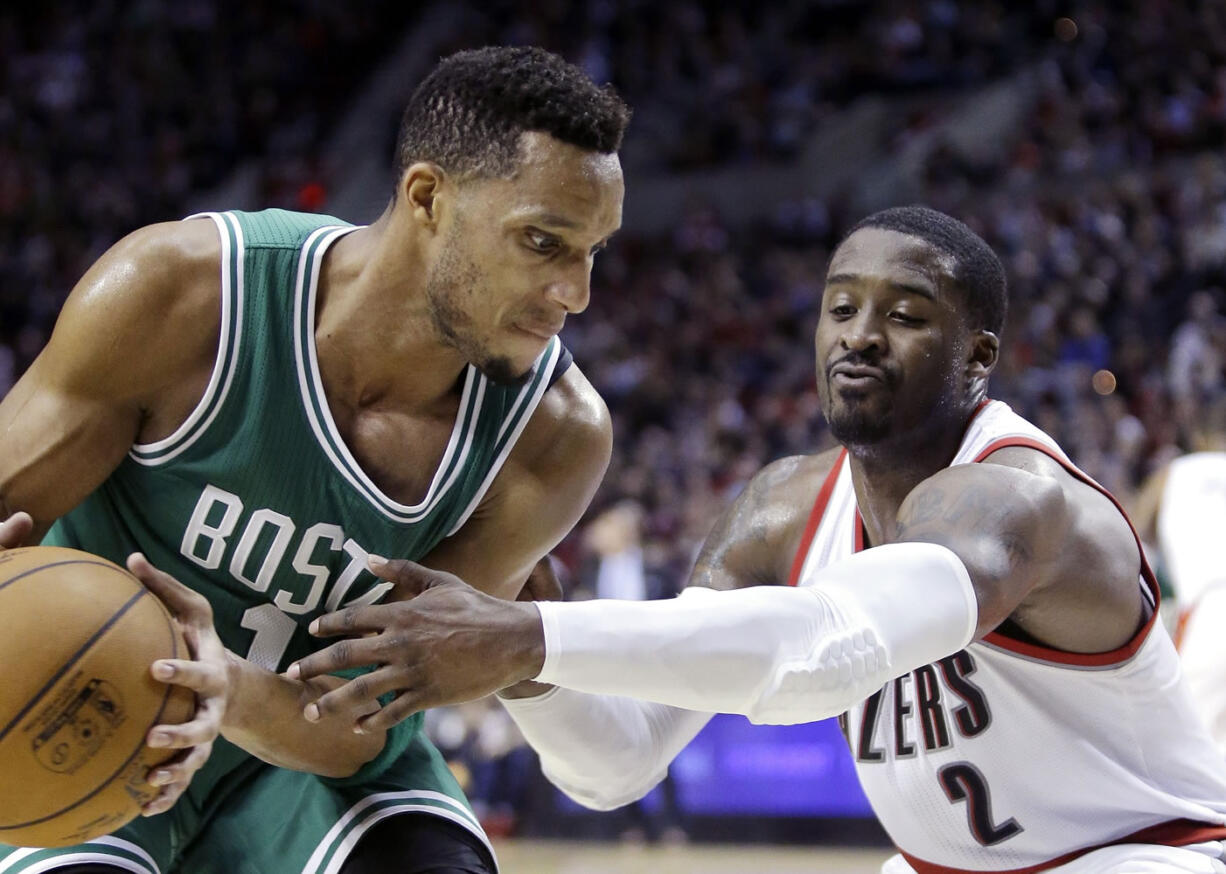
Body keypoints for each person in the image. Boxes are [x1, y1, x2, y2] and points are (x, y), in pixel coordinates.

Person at [293, 206, 1226, 873]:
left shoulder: (1016, 501)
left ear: (978, 356)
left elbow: (826, 650)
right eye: (842, 306)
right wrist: (529, 670)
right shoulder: (783, 509)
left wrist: (527, 639)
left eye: (904, 316)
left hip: (1151, 856)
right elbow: (617, 766)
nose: (859, 336)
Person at [0, 46, 628, 874]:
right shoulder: (181, 296)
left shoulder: (553, 439)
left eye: (595, 251)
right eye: (543, 242)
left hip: (312, 766)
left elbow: (357, 731)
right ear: (427, 197)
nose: (576, 293)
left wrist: (217, 682)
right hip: (90, 711)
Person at [1132, 395, 1226, 756]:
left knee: (1200, 757)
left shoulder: (1173, 472)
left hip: (1209, 615)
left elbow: (1132, 535)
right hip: (1206, 609)